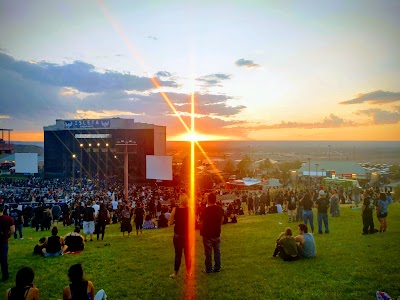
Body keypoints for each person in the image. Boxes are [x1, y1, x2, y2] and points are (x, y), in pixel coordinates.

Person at [200, 192, 224, 273]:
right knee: (217, 251)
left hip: (207, 234)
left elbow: (201, 222)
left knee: (208, 253)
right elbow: (222, 220)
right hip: (217, 233)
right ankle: (217, 267)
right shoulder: (220, 209)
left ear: (208, 200)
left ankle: (209, 269)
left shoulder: (205, 210)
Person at [169, 194, 191, 279]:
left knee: (178, 255)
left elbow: (170, 222)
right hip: (187, 236)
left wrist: (176, 221)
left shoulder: (175, 210)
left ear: (180, 200)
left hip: (178, 235)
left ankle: (175, 273)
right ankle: (188, 273)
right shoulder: (190, 210)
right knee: (187, 255)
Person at [0, 204, 15, 281]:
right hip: (3, 241)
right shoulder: (8, 219)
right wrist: (8, 236)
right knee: (3, 260)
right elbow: (13, 230)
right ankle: (5, 276)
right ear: (3, 209)